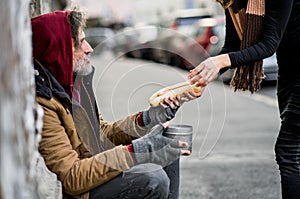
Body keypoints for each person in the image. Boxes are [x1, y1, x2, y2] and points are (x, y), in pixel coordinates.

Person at [31, 6, 202, 199]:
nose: (90, 48)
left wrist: (149, 118)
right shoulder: (44, 103)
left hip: (93, 168)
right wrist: (139, 150)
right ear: (60, 50)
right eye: (81, 42)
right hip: (80, 190)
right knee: (152, 179)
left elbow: (101, 134)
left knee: (167, 146)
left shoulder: (72, 85)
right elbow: (72, 177)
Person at [188, 0, 300, 198]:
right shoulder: (234, 2)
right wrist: (204, 75)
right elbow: (232, 47)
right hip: (289, 72)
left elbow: (268, 45)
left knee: (288, 151)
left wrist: (220, 61)